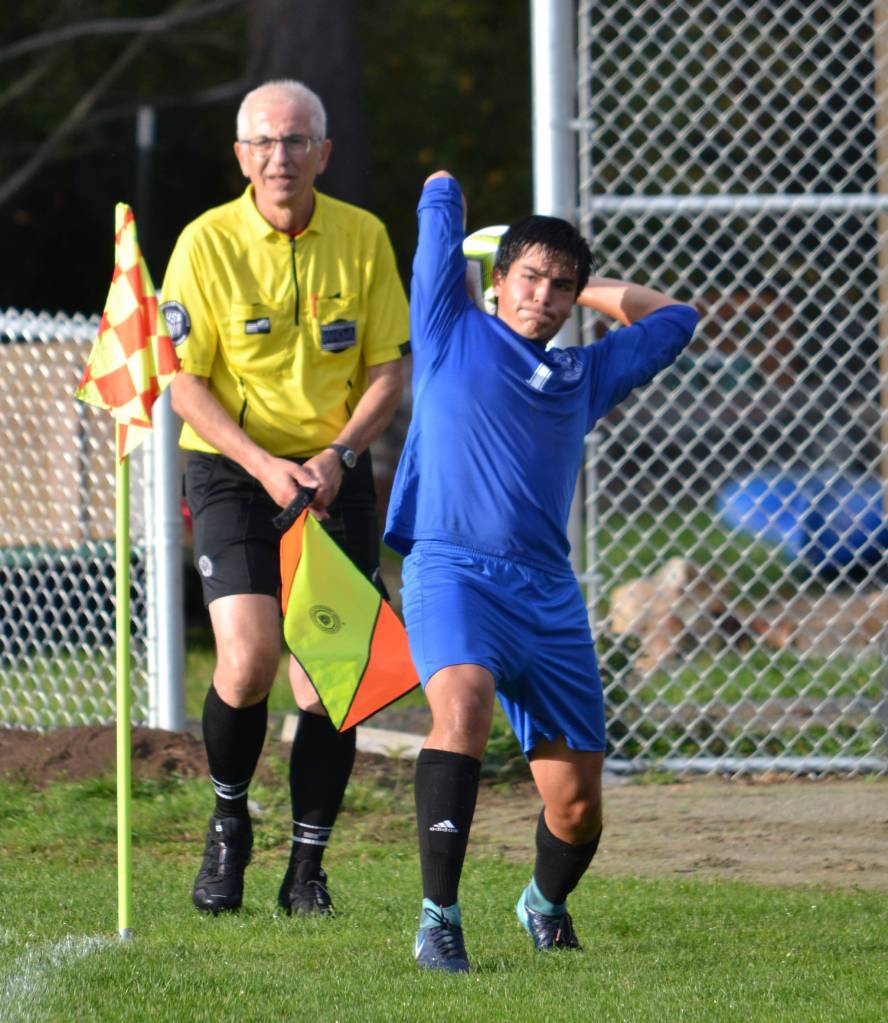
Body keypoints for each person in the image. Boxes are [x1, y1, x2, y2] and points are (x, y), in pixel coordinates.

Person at [384, 171, 699, 972]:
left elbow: (676, 318)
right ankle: (438, 918)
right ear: (497, 280)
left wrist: (587, 292)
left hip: (548, 596)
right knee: (463, 704)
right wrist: (467, 215)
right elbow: (437, 198)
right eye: (530, 277)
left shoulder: (582, 377)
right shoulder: (449, 327)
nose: (544, 295)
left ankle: (544, 902)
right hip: (451, 569)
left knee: (579, 806)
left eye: (561, 285)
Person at [161, 79, 409, 916]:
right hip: (234, 467)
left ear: (324, 153)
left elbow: (387, 370)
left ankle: (307, 867)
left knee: (329, 681)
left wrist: (339, 453)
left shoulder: (364, 236)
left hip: (334, 469)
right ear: (241, 155)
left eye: (297, 141)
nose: (280, 158)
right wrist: (265, 463)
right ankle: (229, 822)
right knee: (249, 658)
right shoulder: (204, 242)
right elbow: (184, 385)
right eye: (264, 143)